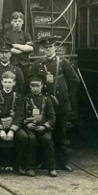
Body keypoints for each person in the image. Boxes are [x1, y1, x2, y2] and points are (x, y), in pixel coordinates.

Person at [29, 36, 79, 172]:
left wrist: (64, 91)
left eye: (50, 47)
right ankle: (43, 162)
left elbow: (75, 80)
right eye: (45, 48)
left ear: (55, 48)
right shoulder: (38, 64)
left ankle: (62, 163)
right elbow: (30, 80)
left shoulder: (63, 62)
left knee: (61, 134)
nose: (48, 50)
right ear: (42, 49)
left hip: (61, 104)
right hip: (44, 105)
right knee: (43, 134)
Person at [0, 71, 28, 176]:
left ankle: (20, 165)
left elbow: (20, 116)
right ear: (1, 82)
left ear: (14, 83)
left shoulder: (19, 97)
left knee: (23, 137)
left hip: (13, 125)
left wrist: (12, 130)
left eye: (10, 82)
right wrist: (0, 130)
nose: (7, 85)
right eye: (5, 82)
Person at [23, 75, 57, 177]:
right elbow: (20, 116)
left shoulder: (47, 100)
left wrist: (45, 126)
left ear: (42, 86)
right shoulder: (25, 100)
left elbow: (52, 117)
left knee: (47, 139)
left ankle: (51, 168)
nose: (35, 88)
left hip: (43, 128)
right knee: (31, 139)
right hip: (30, 129)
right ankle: (30, 167)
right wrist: (27, 124)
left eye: (37, 86)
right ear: (30, 86)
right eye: (33, 86)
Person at [3, 11, 34, 76]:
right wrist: (24, 49)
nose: (17, 23)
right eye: (15, 21)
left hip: (25, 64)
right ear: (11, 22)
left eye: (19, 21)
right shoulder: (7, 35)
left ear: (22, 22)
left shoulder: (26, 35)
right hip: (12, 63)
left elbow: (30, 48)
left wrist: (15, 45)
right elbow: (9, 50)